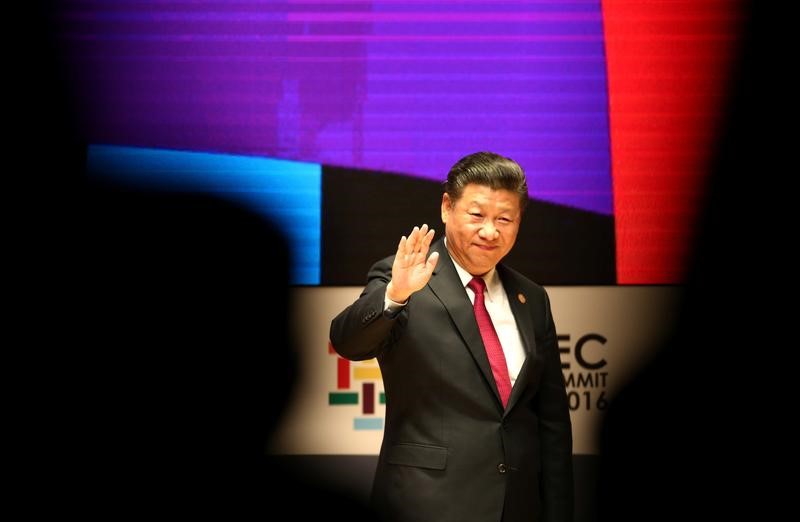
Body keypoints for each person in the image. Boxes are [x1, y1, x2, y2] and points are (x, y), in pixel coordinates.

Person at [330, 152, 573, 522]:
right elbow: (347, 341)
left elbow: (552, 423)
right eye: (477, 215)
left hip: (518, 507)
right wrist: (395, 295)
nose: (490, 231)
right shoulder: (407, 279)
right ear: (447, 207)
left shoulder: (532, 298)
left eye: (505, 219)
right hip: (426, 502)